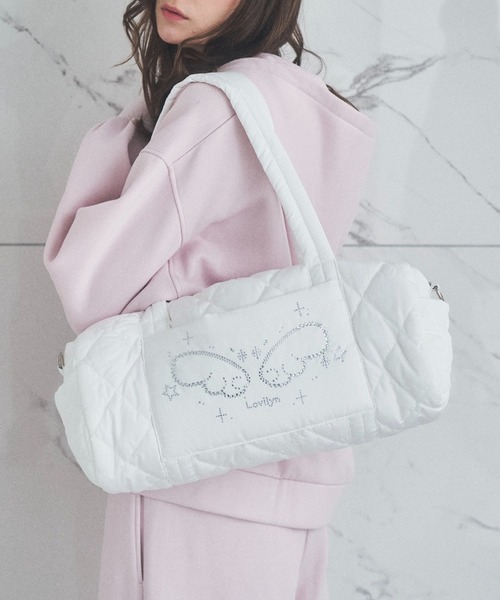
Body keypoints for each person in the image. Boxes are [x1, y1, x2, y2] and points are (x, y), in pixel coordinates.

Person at [44, 0, 375, 597]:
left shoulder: (214, 107)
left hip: (195, 470)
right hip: (293, 472)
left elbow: (88, 282)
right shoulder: (310, 107)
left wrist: (125, 129)